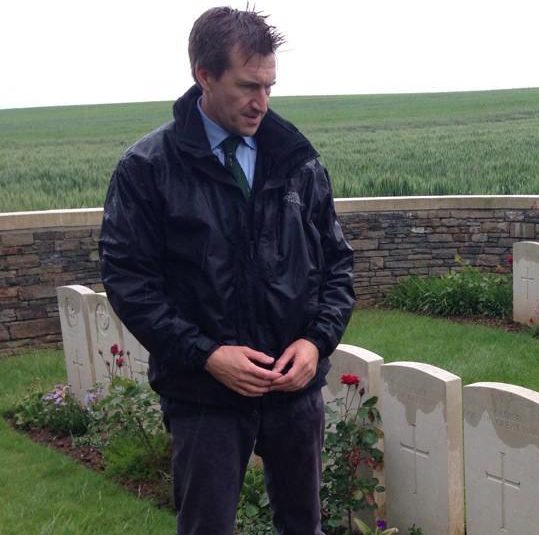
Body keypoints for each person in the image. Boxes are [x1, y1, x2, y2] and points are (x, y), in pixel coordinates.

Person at [99, 7, 354, 535]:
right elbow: (129, 282)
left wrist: (315, 343)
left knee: (304, 527)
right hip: (204, 397)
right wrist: (207, 355)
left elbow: (336, 264)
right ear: (204, 75)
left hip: (294, 391)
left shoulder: (297, 160)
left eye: (269, 85)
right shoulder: (148, 169)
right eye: (247, 86)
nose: (261, 101)